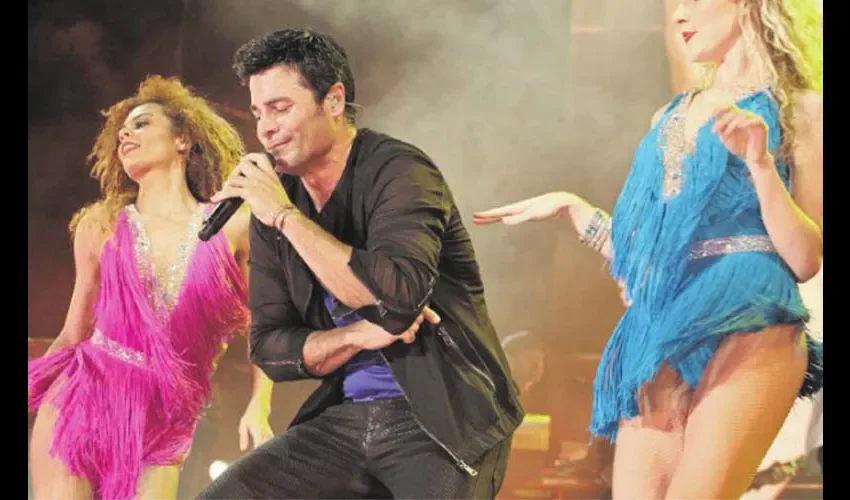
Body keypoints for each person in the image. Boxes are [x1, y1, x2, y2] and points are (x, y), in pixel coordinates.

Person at [473, 0, 822, 497]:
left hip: (750, 321)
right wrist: (576, 211)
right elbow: (647, 263)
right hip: (661, 330)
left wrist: (761, 165)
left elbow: (805, 259)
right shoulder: (668, 117)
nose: (678, 14)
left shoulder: (801, 111)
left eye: (692, 0)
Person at [197, 28, 523, 499]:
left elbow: (394, 302)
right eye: (258, 112)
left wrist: (285, 217)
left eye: (280, 108)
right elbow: (270, 348)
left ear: (333, 100)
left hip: (440, 419)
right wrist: (354, 336)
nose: (265, 128)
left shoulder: (401, 172)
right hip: (345, 420)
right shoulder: (276, 202)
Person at [27, 75, 275, 499]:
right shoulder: (100, 226)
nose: (125, 133)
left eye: (141, 123)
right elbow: (72, 333)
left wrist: (260, 404)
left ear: (182, 138)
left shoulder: (233, 226)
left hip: (167, 420)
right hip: (83, 399)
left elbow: (266, 323)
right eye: (122, 130)